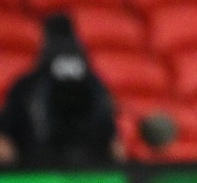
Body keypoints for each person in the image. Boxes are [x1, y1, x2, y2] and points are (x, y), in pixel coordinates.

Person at [0, 13, 120, 168]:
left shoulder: (26, 85)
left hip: (43, 177)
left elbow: (5, 146)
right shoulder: (96, 85)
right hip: (83, 177)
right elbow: (115, 148)